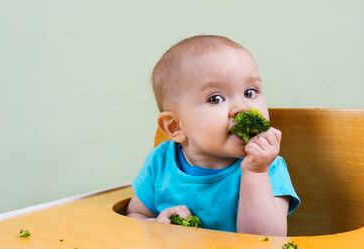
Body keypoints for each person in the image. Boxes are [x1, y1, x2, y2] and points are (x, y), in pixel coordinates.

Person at [126, 35, 300, 236]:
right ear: (175, 126)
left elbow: (266, 241)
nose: (242, 108)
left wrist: (255, 173)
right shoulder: (160, 162)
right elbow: (133, 216)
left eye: (250, 92)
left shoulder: (268, 168)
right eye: (215, 99)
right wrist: (155, 225)